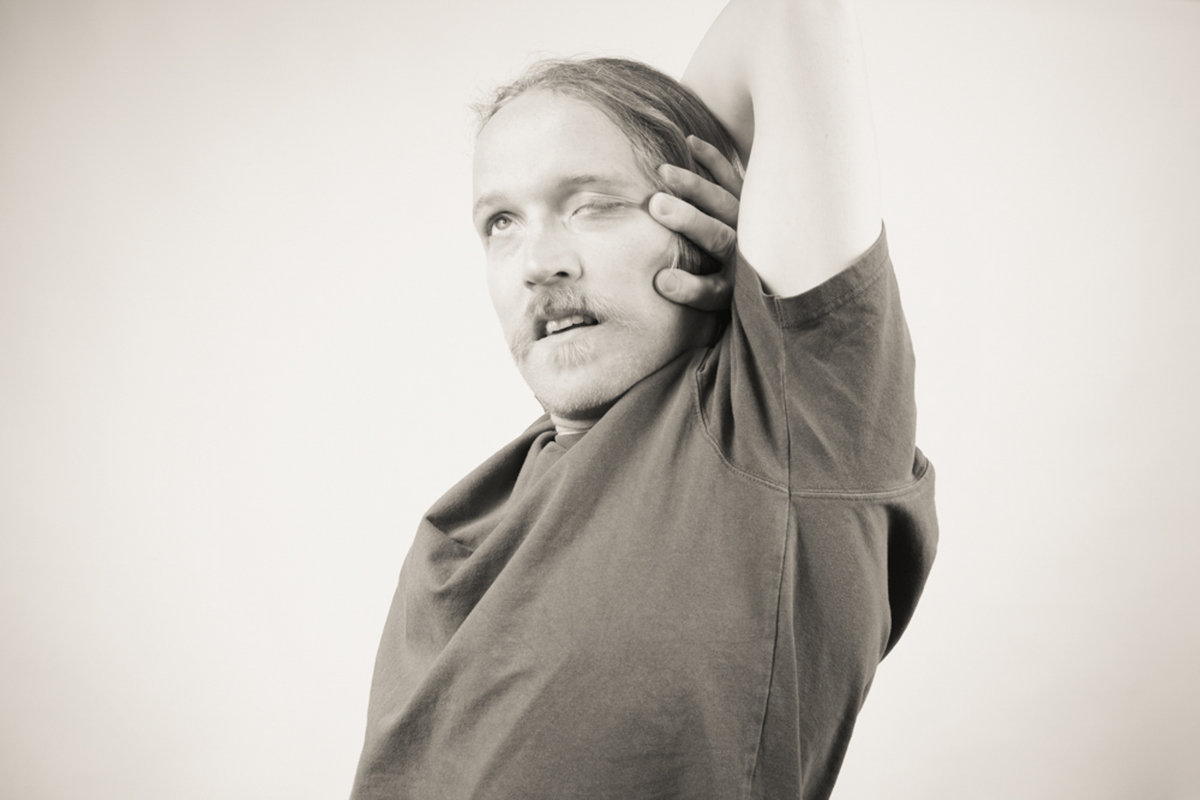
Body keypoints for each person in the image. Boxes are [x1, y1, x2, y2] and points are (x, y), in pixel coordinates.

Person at [351, 0, 937, 797]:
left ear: (693, 218)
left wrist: (733, 207)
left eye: (593, 204)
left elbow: (790, 17)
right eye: (501, 222)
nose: (539, 263)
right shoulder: (466, 518)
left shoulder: (783, 423)